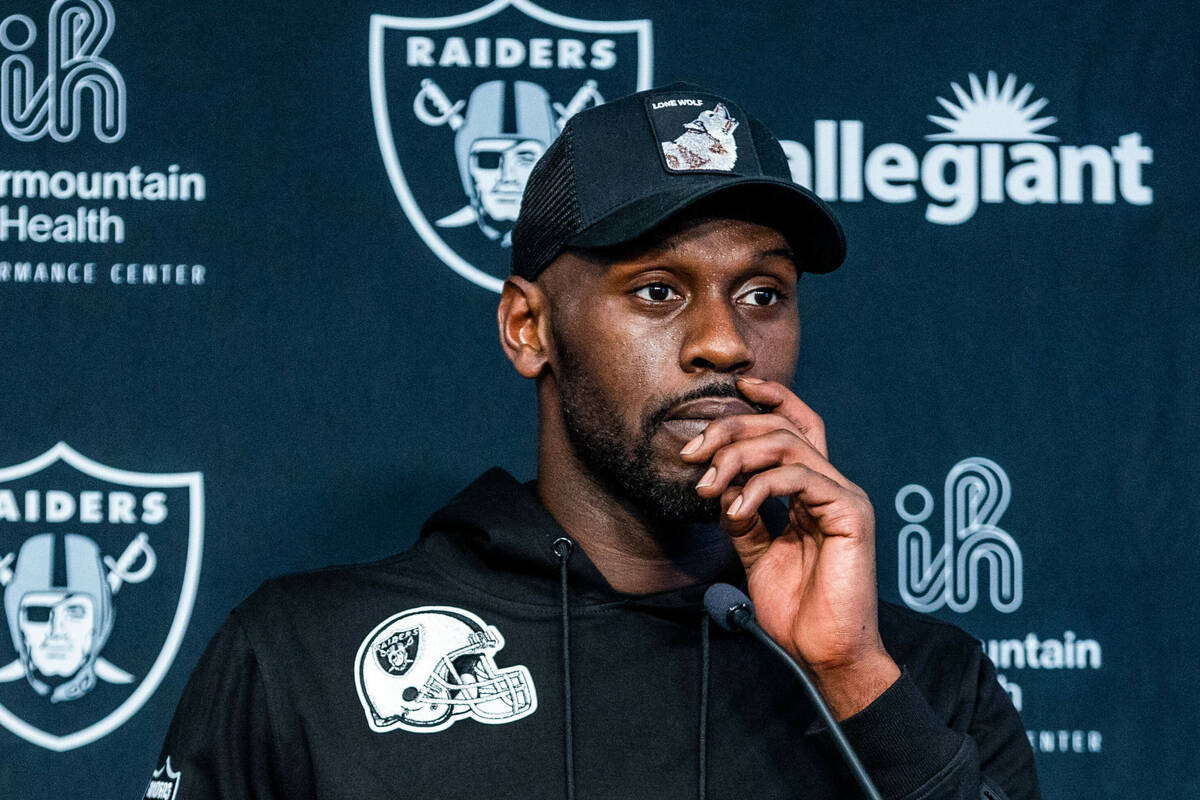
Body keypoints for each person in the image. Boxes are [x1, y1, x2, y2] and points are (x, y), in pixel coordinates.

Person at [144, 83, 1040, 800]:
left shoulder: (919, 676)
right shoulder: (306, 658)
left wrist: (851, 676)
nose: (726, 342)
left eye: (763, 293)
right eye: (657, 291)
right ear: (529, 327)